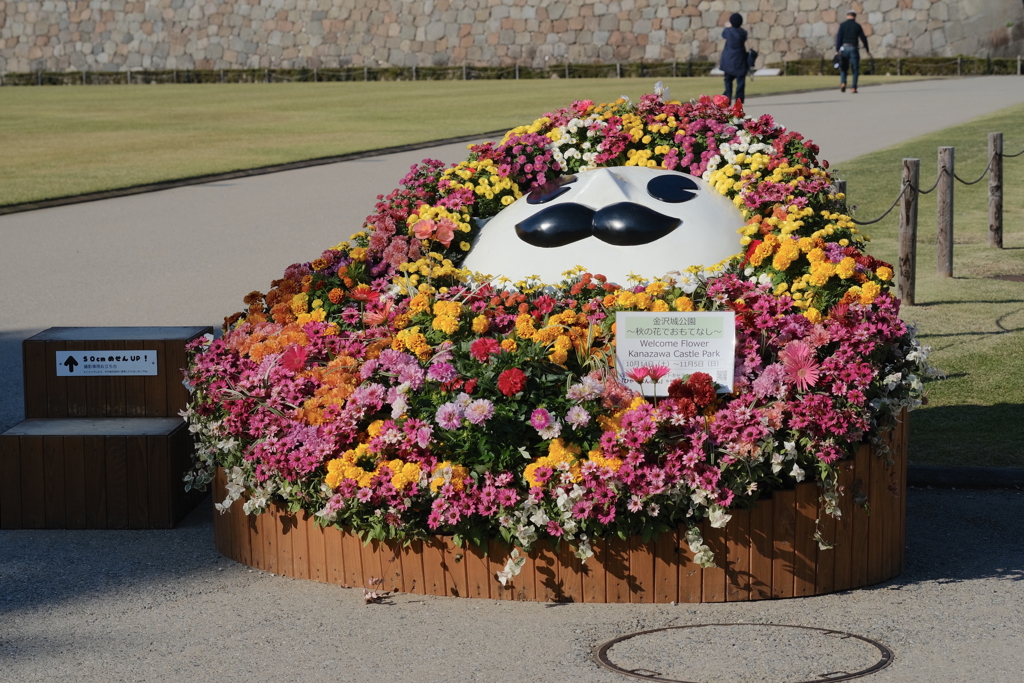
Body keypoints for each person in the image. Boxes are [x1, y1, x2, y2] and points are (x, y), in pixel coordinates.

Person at [835, 10, 871, 93]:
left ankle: (843, 83)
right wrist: (867, 49)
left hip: (844, 47)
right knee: (855, 69)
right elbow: (863, 38)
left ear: (847, 16)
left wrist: (837, 50)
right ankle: (853, 87)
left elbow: (839, 38)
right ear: (855, 17)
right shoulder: (857, 26)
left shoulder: (842, 25)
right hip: (853, 48)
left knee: (844, 67)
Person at [720, 13, 749, 105]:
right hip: (740, 60)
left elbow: (723, 35)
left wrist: (729, 26)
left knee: (728, 80)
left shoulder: (727, 31)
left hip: (728, 60)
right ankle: (739, 100)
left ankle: (727, 97)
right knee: (740, 81)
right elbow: (744, 38)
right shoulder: (743, 33)